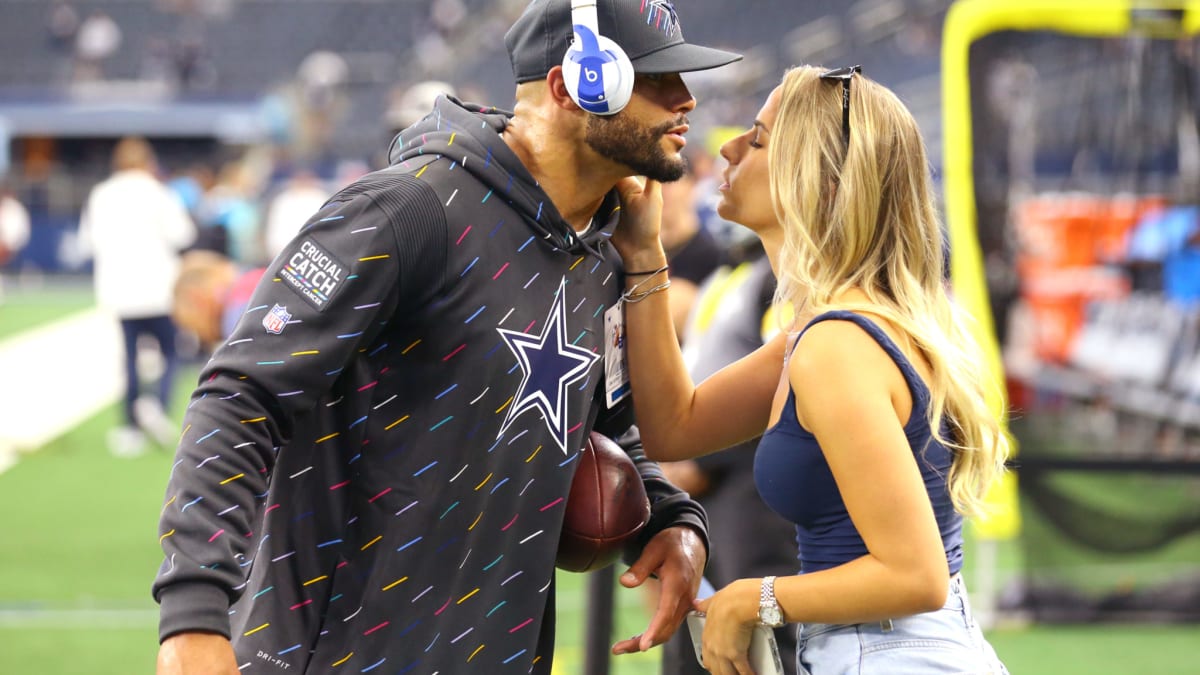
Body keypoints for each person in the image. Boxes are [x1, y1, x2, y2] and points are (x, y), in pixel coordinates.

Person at [152, 1, 742, 673]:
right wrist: (194, 615)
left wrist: (669, 518)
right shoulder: (408, 210)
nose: (686, 100)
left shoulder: (606, 251)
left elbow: (603, 425)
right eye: (657, 79)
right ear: (571, 86)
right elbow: (240, 395)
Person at [610, 66, 1010, 674]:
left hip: (890, 654)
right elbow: (674, 427)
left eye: (760, 139)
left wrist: (751, 598)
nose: (728, 147)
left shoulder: (836, 345)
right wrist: (645, 257)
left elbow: (915, 574)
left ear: (821, 183)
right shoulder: (827, 329)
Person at [657, 249, 801, 675]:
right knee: (699, 636)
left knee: (764, 640)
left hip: (749, 488)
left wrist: (703, 460)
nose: (723, 177)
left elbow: (786, 393)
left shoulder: (782, 277)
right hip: (705, 490)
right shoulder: (728, 274)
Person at [79, 137, 196, 457]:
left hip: (120, 289)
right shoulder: (160, 192)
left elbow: (88, 241)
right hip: (159, 287)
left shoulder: (101, 194)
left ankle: (130, 427)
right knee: (171, 351)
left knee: (129, 357)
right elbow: (183, 234)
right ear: (147, 161)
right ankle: (156, 404)